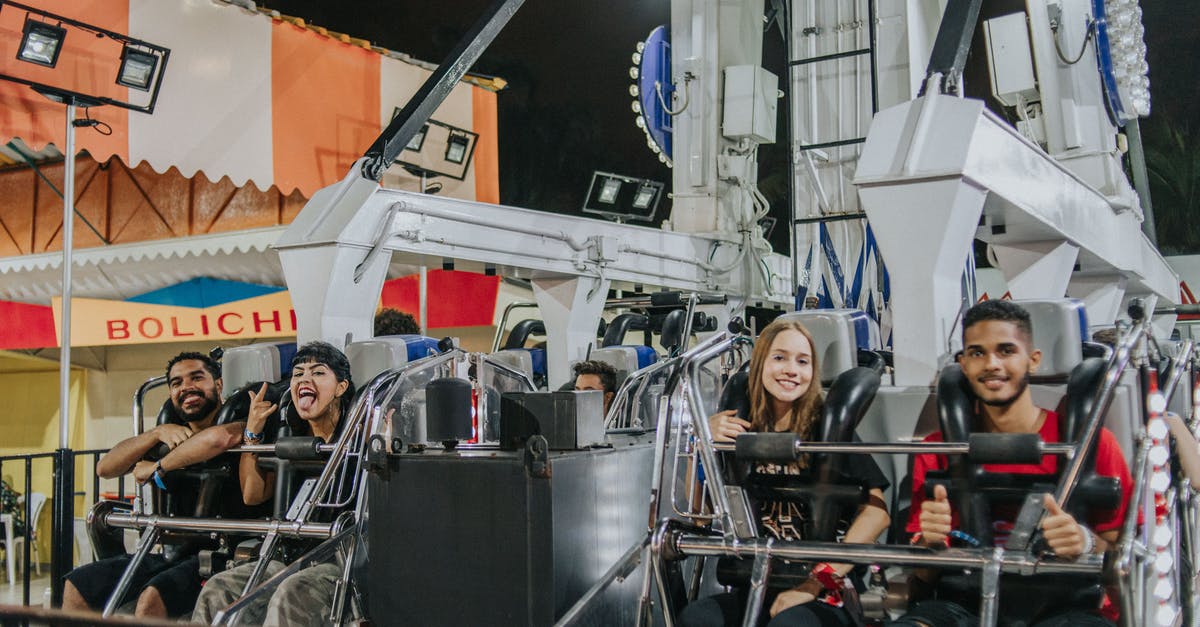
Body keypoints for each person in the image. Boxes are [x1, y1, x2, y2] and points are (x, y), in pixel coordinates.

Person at [897, 300, 1134, 627]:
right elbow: (923, 572)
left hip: (1065, 608)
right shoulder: (938, 448)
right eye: (977, 353)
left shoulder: (1092, 444)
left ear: (1032, 360)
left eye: (1006, 350)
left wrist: (1085, 542)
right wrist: (931, 542)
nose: (992, 364)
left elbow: (1123, 551)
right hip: (963, 604)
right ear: (963, 364)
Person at [681, 317, 891, 627]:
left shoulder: (828, 430)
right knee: (696, 619)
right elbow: (698, 516)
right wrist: (700, 442)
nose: (792, 369)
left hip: (827, 588)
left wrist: (814, 584)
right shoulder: (737, 427)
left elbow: (877, 515)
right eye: (779, 358)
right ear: (760, 364)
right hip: (759, 582)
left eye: (802, 361)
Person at [63, 352, 244, 619]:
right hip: (173, 553)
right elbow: (105, 468)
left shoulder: (237, 426)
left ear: (218, 385)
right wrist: (155, 434)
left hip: (222, 554)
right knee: (78, 584)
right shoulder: (169, 435)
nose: (186, 387)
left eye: (197, 378)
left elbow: (216, 440)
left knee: (152, 598)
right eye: (176, 383)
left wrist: (158, 466)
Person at [192, 341, 355, 626]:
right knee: (218, 590)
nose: (305, 379)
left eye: (318, 373)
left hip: (340, 560)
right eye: (298, 373)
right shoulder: (288, 433)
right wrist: (253, 433)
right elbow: (253, 495)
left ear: (341, 387)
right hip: (290, 555)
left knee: (292, 593)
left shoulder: (356, 432)